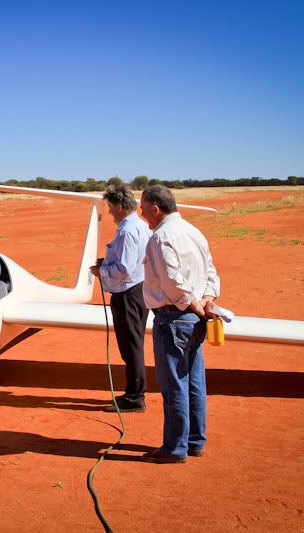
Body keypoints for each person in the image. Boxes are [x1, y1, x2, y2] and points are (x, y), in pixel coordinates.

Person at [139, 185, 220, 464]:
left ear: (155, 208)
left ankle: (175, 448)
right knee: (194, 382)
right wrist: (207, 300)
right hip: (196, 319)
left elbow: (172, 281)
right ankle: (195, 441)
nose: (141, 213)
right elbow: (211, 272)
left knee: (174, 385)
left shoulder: (161, 238)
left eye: (143, 208)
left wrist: (193, 303)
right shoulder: (194, 232)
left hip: (173, 318)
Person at [89, 184, 152, 413]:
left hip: (128, 294)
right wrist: (106, 262)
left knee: (131, 346)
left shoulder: (127, 230)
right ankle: (133, 393)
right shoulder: (141, 226)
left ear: (120, 206)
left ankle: (135, 397)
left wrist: (102, 271)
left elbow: (125, 268)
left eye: (111, 207)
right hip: (138, 290)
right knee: (133, 344)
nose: (109, 212)